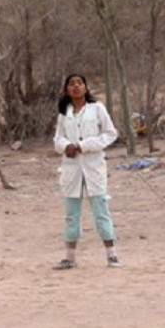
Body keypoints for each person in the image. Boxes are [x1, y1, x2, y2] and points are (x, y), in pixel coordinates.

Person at [52, 74, 121, 269]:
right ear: (66, 90)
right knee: (71, 212)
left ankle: (111, 254)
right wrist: (67, 147)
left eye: (80, 83)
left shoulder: (97, 109)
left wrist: (84, 145)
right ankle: (70, 257)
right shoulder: (64, 113)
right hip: (71, 168)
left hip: (93, 165)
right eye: (72, 84)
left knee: (100, 209)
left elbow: (110, 133)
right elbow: (57, 140)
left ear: (86, 88)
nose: (76, 87)